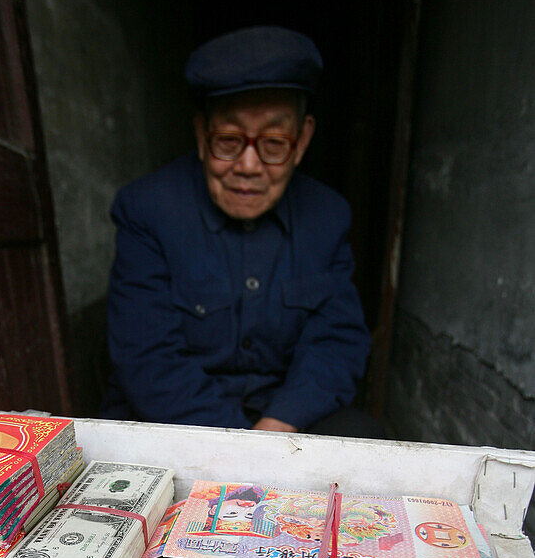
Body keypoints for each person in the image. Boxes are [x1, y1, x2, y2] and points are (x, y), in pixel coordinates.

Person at [102, 25, 375, 436]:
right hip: (175, 417)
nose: (248, 166)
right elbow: (148, 356)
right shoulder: (146, 209)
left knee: (365, 439)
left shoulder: (327, 216)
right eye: (228, 140)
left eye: (274, 143)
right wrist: (239, 447)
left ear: (301, 142)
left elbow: (337, 341)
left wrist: (279, 424)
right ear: (200, 134)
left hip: (282, 416)